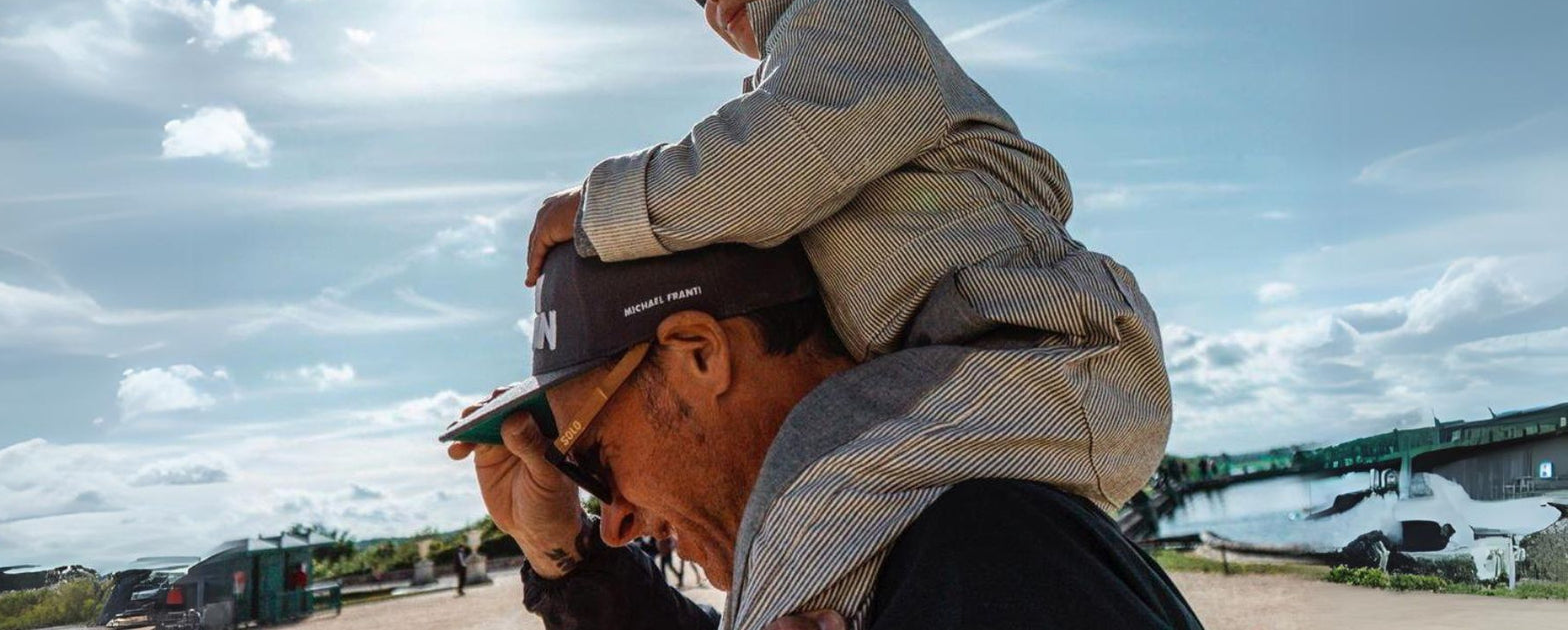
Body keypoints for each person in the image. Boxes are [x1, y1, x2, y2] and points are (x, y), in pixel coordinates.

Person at [521, 0, 1170, 554]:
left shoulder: (853, 15)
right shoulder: (801, 72)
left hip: (1053, 350)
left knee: (815, 480)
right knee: (850, 489)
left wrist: (595, 209)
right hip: (988, 365)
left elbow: (752, 172)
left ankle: (792, 605)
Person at [445, 242, 1203, 629]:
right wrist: (564, 554)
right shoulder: (909, 546)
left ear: (700, 354)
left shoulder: (988, 551)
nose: (615, 521)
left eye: (594, 460)